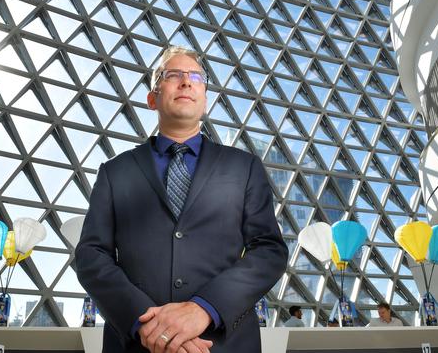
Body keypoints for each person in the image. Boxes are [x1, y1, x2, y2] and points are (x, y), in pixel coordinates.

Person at [75, 46, 288, 353]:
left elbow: (269, 250)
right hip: (139, 344)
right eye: (173, 75)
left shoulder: (244, 166)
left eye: (196, 77)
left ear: (205, 97)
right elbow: (91, 255)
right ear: (153, 97)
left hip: (223, 344)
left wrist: (204, 308)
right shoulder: (114, 172)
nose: (186, 82)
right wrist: (147, 324)